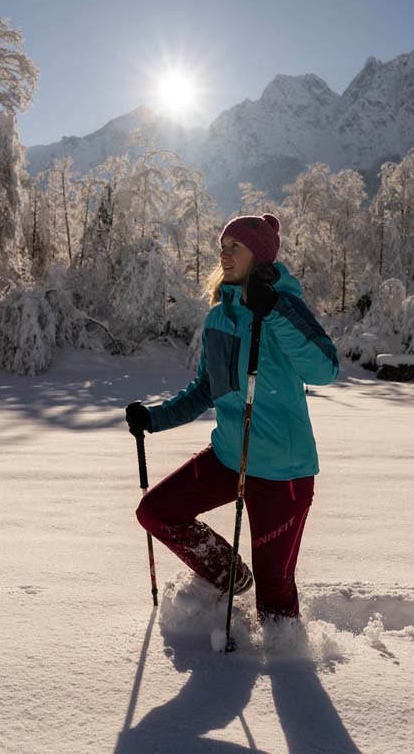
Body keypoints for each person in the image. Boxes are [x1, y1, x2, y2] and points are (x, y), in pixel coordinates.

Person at [126, 213, 340, 622]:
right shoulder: (218, 318)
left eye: (234, 247)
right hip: (228, 457)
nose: (223, 254)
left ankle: (285, 658)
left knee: (275, 596)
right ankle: (230, 574)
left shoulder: (285, 307)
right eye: (222, 247)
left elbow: (324, 370)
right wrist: (153, 419)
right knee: (155, 512)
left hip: (283, 473)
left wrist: (274, 310)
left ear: (258, 257)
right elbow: (207, 389)